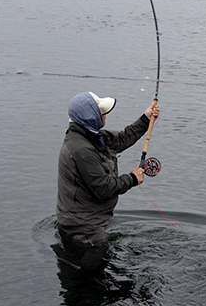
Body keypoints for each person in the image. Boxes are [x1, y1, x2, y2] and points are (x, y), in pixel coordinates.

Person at [56, 92, 160, 249]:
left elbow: (123, 138)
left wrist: (146, 119)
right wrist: (132, 178)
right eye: (102, 112)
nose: (105, 115)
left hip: (91, 222)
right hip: (83, 230)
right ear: (91, 118)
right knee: (95, 269)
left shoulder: (93, 136)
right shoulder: (82, 150)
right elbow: (104, 188)